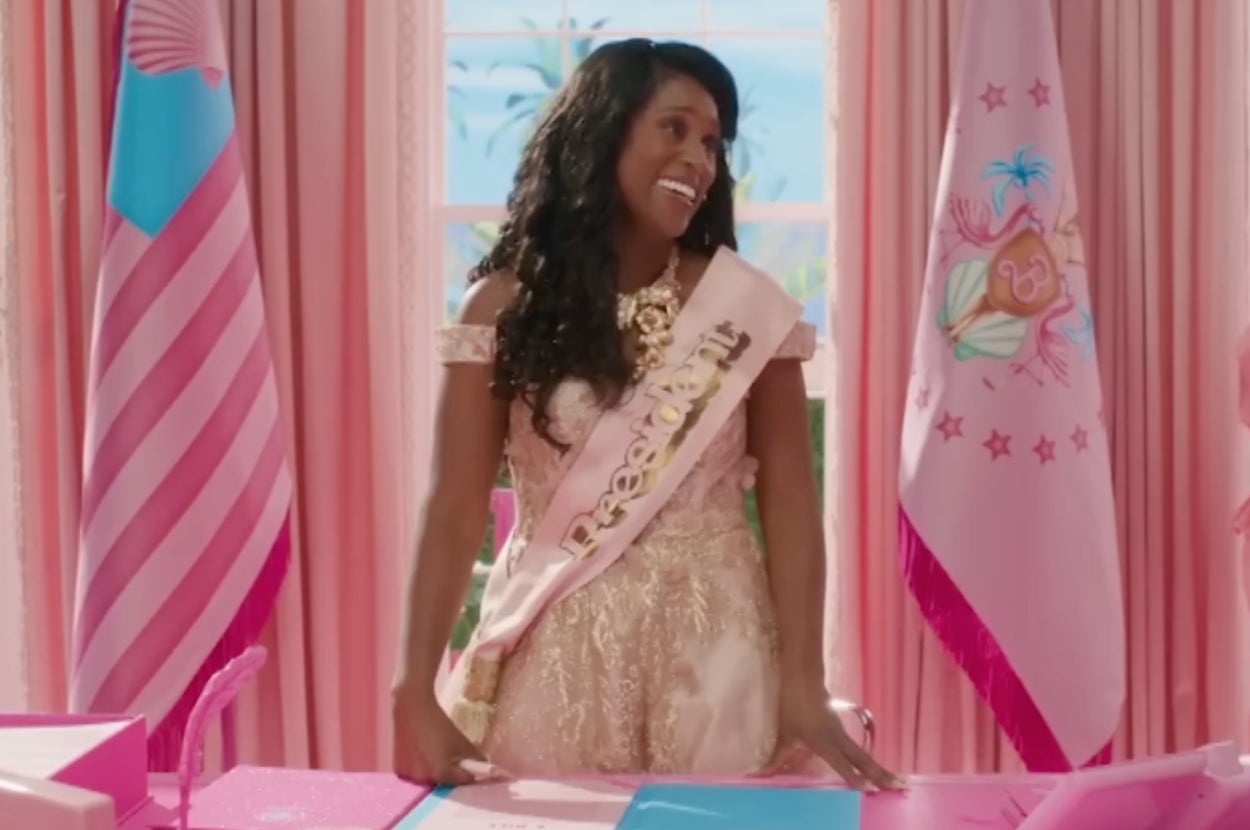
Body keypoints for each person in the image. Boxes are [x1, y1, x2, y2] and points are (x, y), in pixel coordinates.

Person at [390, 37, 899, 791]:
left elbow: (792, 506)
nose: (699, 159)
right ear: (603, 132)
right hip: (553, 657)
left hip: (718, 659)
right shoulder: (500, 307)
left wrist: (804, 680)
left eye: (713, 142)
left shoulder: (745, 309)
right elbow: (455, 509)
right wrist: (413, 690)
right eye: (675, 128)